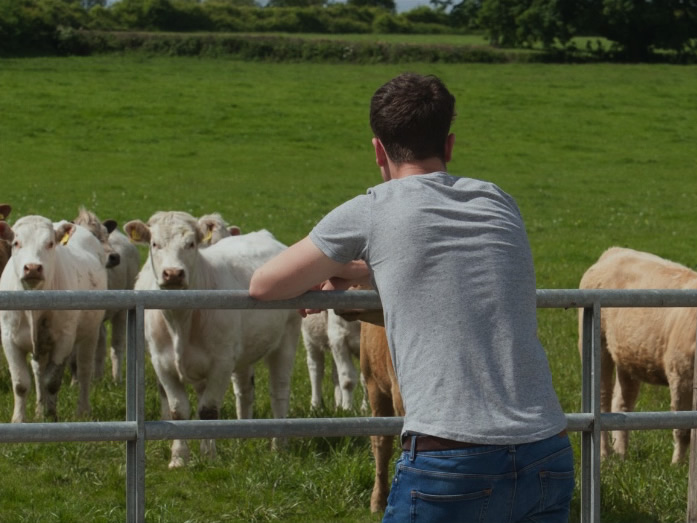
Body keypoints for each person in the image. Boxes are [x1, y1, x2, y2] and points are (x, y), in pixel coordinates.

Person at [249, 72, 574, 523]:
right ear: (450, 145)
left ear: (378, 150)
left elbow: (265, 284)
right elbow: (446, 277)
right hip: (547, 450)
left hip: (452, 459)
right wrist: (362, 273)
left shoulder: (375, 207)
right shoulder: (499, 201)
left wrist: (337, 269)